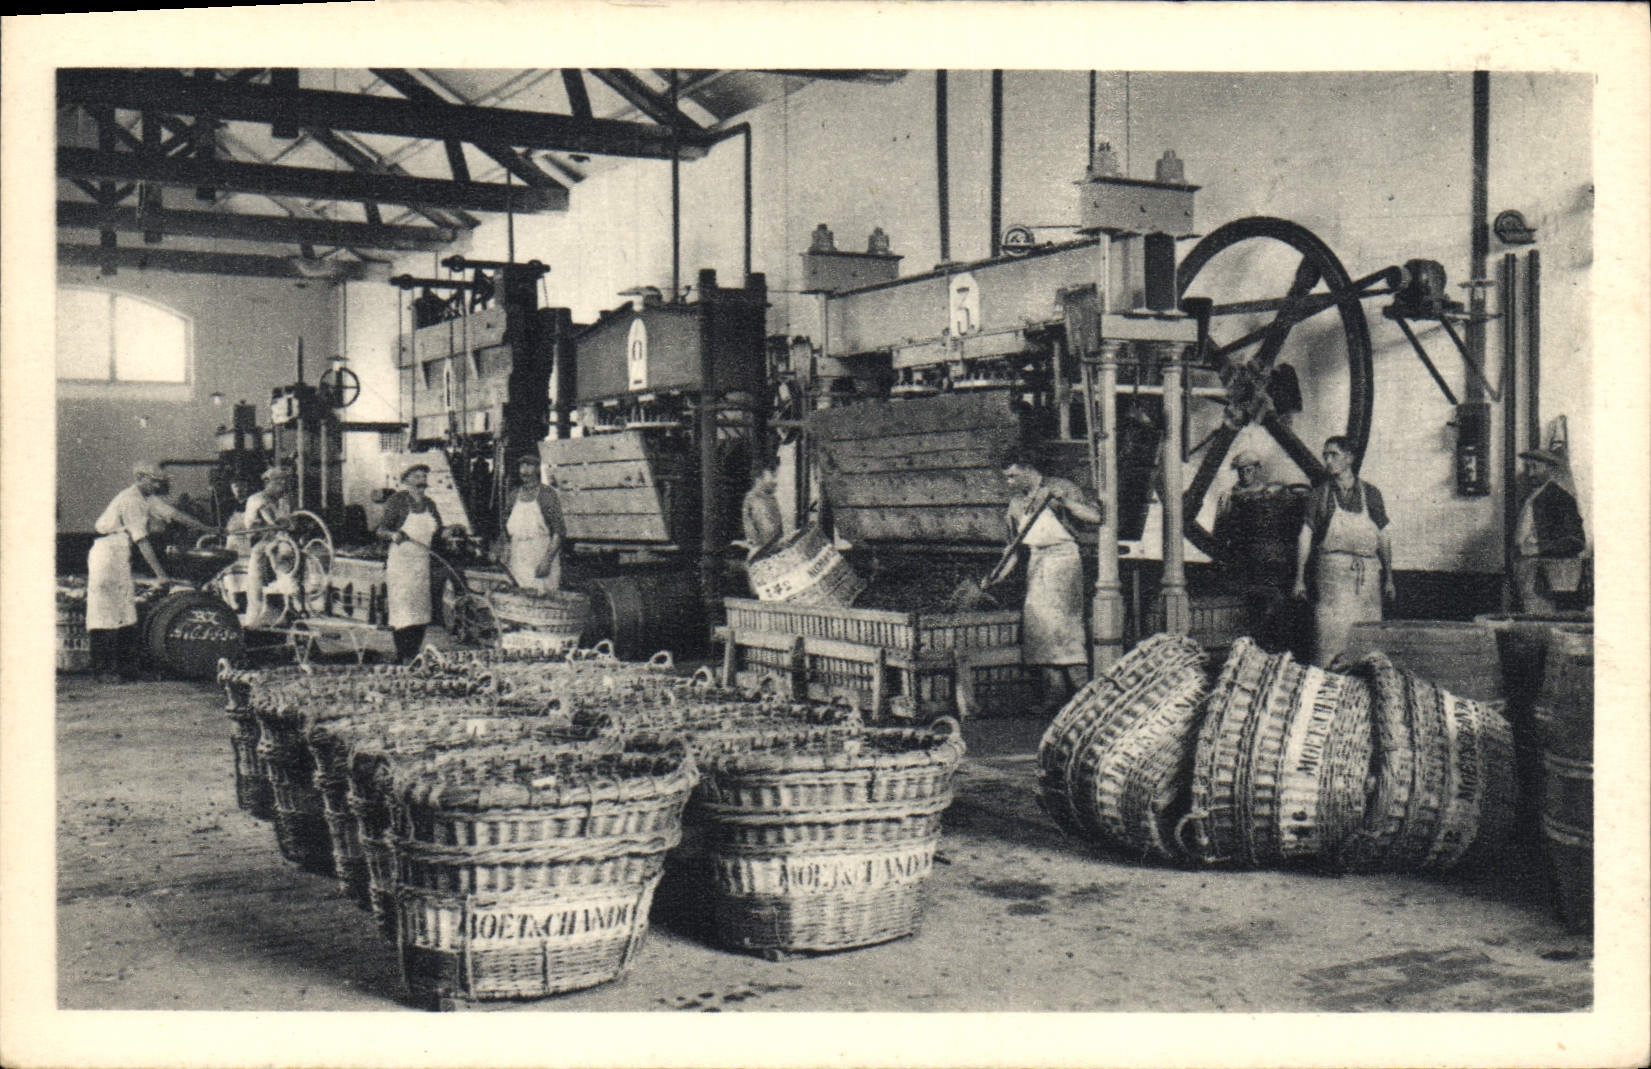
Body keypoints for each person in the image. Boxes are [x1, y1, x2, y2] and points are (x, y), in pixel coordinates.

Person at [85, 461, 214, 683]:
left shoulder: (147, 498)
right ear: (140, 478)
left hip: (120, 552)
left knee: (126, 611)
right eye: (154, 481)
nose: (157, 485)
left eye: (159, 482)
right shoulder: (130, 500)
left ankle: (127, 670)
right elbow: (142, 541)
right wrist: (161, 574)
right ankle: (103, 671)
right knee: (105, 613)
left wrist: (207, 529)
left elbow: (174, 514)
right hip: (107, 554)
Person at [999, 446, 1103, 713]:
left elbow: (1096, 516)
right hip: (1037, 563)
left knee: (1065, 625)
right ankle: (1054, 694)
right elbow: (1013, 549)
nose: (1009, 482)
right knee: (1039, 627)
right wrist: (997, 576)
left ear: (1028, 470)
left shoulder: (1061, 488)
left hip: (1064, 561)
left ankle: (1084, 693)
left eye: (1013, 476)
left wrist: (1066, 502)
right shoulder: (1016, 504)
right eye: (1007, 477)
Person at [1292, 436, 1394, 667]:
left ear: (1349, 458)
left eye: (1333, 455)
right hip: (1332, 581)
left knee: (1367, 646)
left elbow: (1384, 536)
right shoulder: (1320, 495)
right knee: (1329, 645)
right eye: (1325, 455)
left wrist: (1389, 578)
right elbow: (1305, 535)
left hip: (1367, 581)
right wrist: (1299, 578)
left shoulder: (1371, 494)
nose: (1327, 460)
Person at [378, 463, 445, 663]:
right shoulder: (397, 501)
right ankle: (402, 654)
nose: (421, 480)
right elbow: (380, 530)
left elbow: (439, 531)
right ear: (406, 480)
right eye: (416, 476)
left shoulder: (430, 504)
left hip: (421, 562)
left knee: (420, 610)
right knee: (403, 609)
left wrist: (449, 532)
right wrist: (393, 534)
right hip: (401, 563)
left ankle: (414, 652)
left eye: (423, 476)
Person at [1513, 448, 1587, 613]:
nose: (1530, 474)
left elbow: (1576, 541)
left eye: (1535, 467)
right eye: (1528, 468)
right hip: (1527, 570)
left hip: (1547, 576)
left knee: (1542, 618)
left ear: (1550, 469)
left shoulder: (1560, 498)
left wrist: (1538, 548)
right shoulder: (1530, 496)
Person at [503, 453, 565, 593]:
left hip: (540, 553)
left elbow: (558, 531)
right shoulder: (513, 495)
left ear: (537, 469)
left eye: (529, 465)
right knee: (518, 595)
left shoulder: (547, 494)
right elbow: (506, 528)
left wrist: (547, 561)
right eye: (522, 466)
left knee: (542, 597)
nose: (524, 470)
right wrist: (506, 550)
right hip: (518, 554)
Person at [243, 467, 295, 629]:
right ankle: (255, 625)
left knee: (286, 583)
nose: (283, 485)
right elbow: (275, 522)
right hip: (261, 548)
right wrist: (286, 524)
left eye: (285, 482)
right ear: (267, 482)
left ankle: (283, 617)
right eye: (278, 481)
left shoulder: (280, 501)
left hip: (277, 546)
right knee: (258, 589)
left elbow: (289, 522)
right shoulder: (258, 499)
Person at [741, 453, 785, 561]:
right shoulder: (757, 500)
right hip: (766, 559)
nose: (776, 482)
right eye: (773, 475)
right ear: (759, 477)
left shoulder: (766, 498)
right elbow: (769, 535)